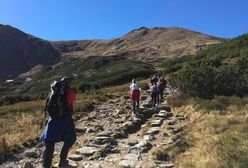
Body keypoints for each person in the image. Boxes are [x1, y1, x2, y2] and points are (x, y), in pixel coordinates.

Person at [40, 77, 77, 168]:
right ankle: (62, 162)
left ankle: (46, 165)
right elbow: (72, 105)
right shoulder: (71, 91)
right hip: (65, 119)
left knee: (50, 143)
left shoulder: (54, 91)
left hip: (52, 119)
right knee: (69, 138)